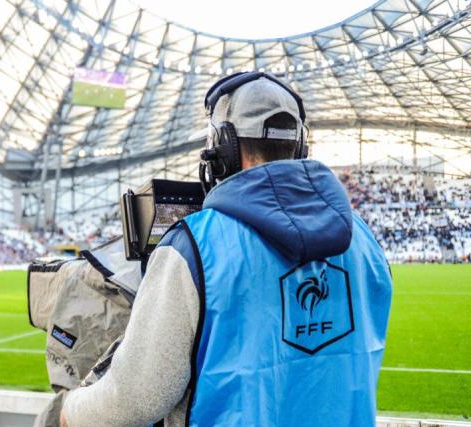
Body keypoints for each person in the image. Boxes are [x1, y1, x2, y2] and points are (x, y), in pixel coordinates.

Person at [61, 72, 393, 427]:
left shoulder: (194, 246)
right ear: (300, 147)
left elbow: (134, 399)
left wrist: (69, 410)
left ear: (223, 151)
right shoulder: (364, 239)